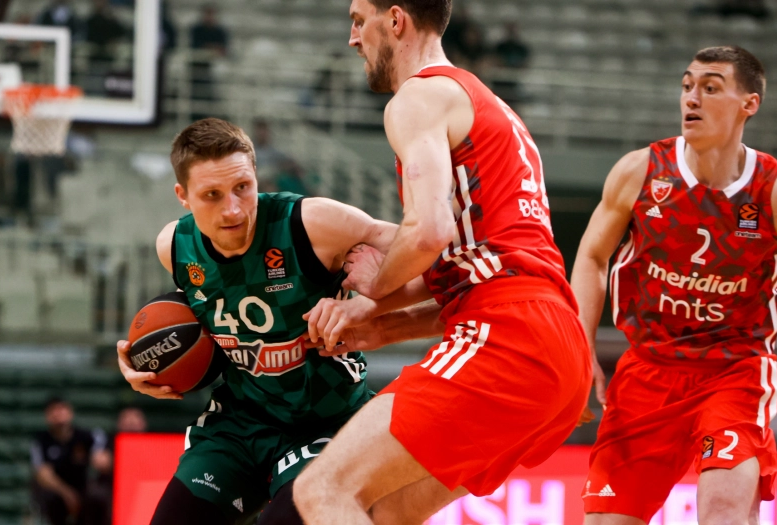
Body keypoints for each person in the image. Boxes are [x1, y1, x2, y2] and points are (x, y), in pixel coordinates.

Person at [292, 1, 593, 523]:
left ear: (395, 20)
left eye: (358, 20)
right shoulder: (492, 109)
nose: (352, 38)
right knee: (383, 511)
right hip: (557, 346)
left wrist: (374, 289)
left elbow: (429, 232)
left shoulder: (419, 97)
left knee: (322, 491)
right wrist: (384, 326)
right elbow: (484, 274)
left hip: (510, 339)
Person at [115, 118, 400, 525]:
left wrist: (369, 302)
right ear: (183, 196)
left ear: (255, 175)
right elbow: (197, 319)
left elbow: (433, 255)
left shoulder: (312, 223)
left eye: (242, 188)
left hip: (328, 421)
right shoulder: (174, 247)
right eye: (212, 195)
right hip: (240, 421)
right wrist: (146, 362)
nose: (232, 208)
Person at [571, 46, 777, 524]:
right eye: (687, 86)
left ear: (749, 104)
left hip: (735, 370)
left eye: (710, 88)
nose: (692, 98)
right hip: (649, 369)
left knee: (724, 509)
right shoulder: (640, 171)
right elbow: (592, 257)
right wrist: (581, 351)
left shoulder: (773, 190)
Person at [31, 397, 112, 525]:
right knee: (49, 497)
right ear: (47, 415)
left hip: (84, 488)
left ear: (70, 412)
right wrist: (67, 494)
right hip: (58, 490)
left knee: (99, 496)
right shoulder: (41, 441)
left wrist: (100, 459)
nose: (58, 414)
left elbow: (103, 459)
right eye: (54, 410)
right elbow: (43, 474)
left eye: (62, 409)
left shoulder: (86, 436)